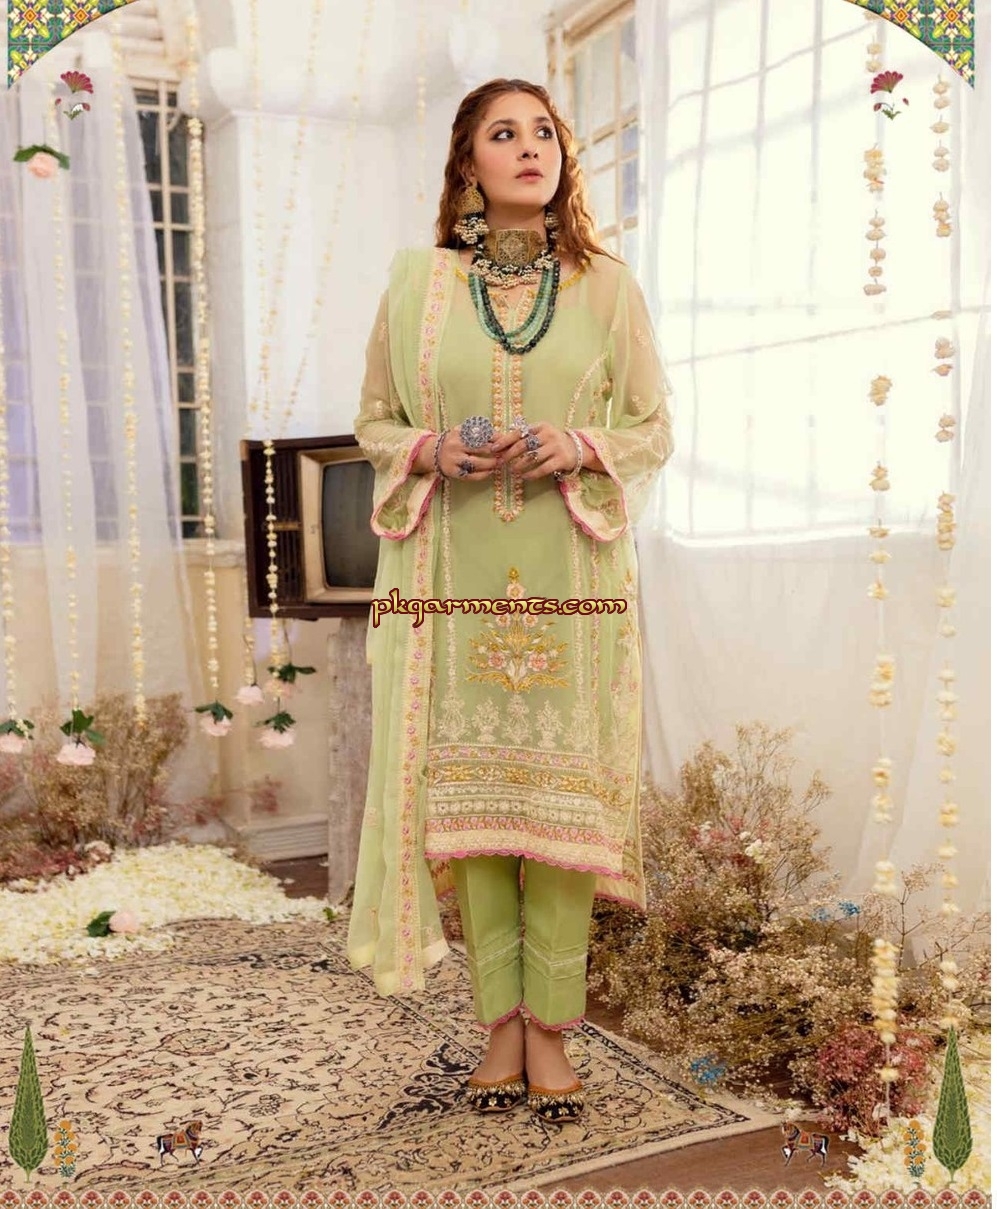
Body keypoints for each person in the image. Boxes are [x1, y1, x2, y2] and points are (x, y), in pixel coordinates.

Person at [346, 77, 674, 1123]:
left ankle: (552, 1027)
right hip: (451, 582)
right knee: (474, 812)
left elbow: (653, 427)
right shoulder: (419, 284)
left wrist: (578, 443)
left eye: (543, 131)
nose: (530, 147)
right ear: (468, 164)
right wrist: (431, 449)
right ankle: (499, 1025)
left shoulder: (606, 287)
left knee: (558, 806)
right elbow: (374, 421)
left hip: (571, 579)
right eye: (504, 132)